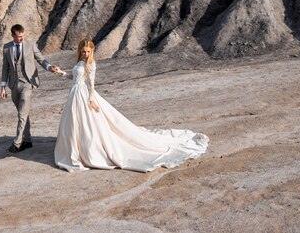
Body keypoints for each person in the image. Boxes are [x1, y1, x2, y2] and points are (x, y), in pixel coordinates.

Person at [53, 39, 209, 172]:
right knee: (74, 124)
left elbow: (92, 85)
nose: (85, 54)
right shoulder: (80, 62)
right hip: (75, 94)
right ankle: (76, 149)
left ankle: (88, 152)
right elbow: (75, 79)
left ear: (92, 51)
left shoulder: (91, 63)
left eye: (88, 51)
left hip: (85, 96)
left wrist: (91, 100)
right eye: (83, 51)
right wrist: (61, 72)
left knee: (90, 126)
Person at [0, 24, 60, 153]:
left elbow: (41, 59)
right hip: (14, 84)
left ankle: (17, 143)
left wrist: (49, 67)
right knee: (23, 112)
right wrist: (3, 87)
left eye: (23, 36)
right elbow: (5, 67)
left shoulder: (30, 45)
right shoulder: (6, 48)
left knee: (22, 113)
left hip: (28, 83)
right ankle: (27, 141)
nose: (22, 39)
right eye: (19, 37)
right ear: (13, 36)